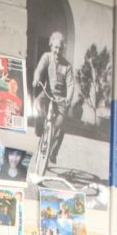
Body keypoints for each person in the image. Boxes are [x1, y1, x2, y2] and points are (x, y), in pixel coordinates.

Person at [32, 31, 74, 166]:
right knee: (37, 104)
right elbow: (39, 69)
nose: (57, 51)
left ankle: (53, 153)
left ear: (63, 49)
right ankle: (40, 129)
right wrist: (36, 79)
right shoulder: (46, 57)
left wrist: (68, 98)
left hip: (60, 98)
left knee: (61, 124)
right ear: (51, 46)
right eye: (55, 47)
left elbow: (71, 84)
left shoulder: (67, 66)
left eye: (60, 48)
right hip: (47, 93)